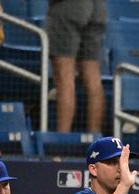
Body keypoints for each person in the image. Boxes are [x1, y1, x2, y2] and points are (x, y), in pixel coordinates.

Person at [46, 0, 106, 133]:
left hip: (68, 6)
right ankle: (94, 140)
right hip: (97, 7)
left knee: (64, 77)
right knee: (93, 77)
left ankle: (61, 142)